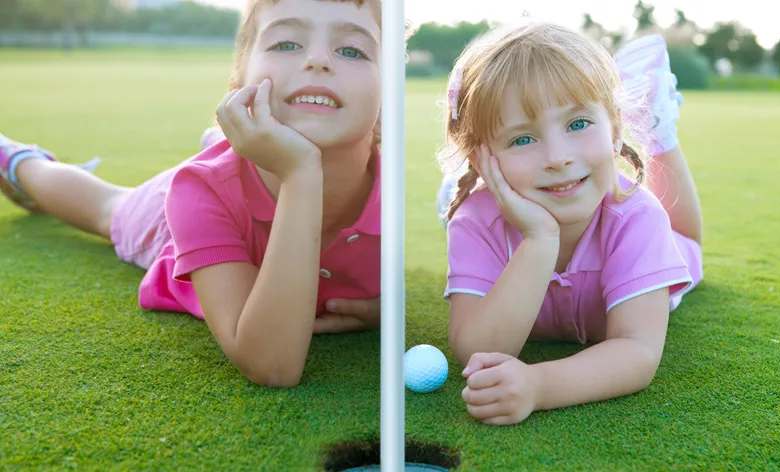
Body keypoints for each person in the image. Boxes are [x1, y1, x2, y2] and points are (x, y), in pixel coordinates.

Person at [0, 0, 384, 387]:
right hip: (196, 203)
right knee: (109, 207)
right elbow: (272, 364)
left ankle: (219, 140)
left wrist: (386, 308)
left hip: (235, 173)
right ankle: (20, 161)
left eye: (352, 50)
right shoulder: (199, 192)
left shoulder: (391, 194)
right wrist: (300, 173)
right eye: (286, 44)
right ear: (238, 91)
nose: (318, 60)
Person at [437, 21, 704, 425]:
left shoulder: (637, 219)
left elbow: (636, 351)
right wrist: (539, 239)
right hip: (497, 207)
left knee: (686, 241)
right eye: (522, 139)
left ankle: (658, 129)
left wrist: (539, 385)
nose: (558, 157)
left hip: (659, 244)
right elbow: (476, 348)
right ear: (483, 161)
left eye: (578, 124)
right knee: (468, 213)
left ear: (615, 130)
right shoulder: (475, 221)